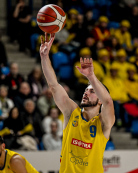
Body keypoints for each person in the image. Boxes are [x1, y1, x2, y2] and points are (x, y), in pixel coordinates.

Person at [40, 33, 115, 172]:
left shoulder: (104, 123)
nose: (86, 93)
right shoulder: (71, 112)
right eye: (86, 90)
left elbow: (109, 102)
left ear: (100, 101)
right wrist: (44, 57)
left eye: (92, 92)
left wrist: (91, 77)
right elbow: (54, 85)